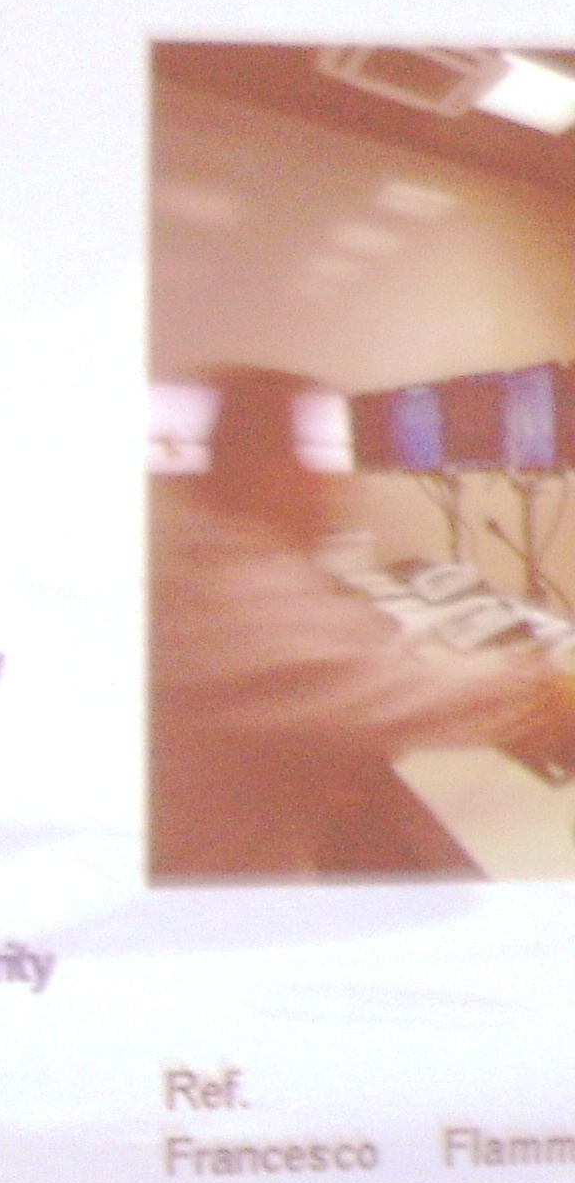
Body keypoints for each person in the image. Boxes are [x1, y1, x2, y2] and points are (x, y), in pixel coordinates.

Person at [152, 366, 564, 879]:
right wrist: (543, 680)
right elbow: (418, 697)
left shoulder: (213, 556)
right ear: (264, 468)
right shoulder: (235, 596)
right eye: (316, 462)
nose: (338, 484)